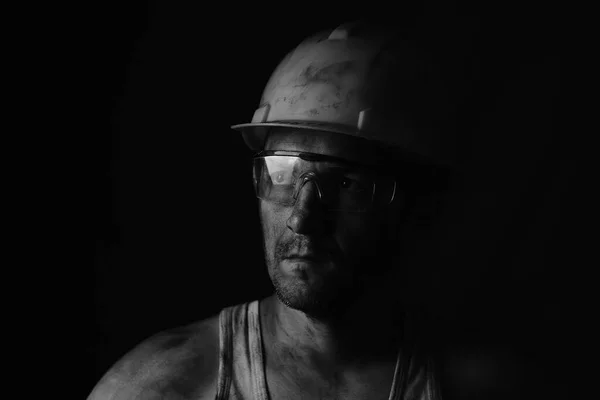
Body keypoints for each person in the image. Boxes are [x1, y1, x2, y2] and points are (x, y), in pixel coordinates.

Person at [88, 19, 456, 400]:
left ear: (415, 204)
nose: (301, 218)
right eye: (282, 174)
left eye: (347, 184)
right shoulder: (161, 387)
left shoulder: (478, 381)